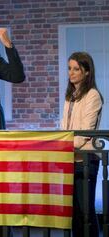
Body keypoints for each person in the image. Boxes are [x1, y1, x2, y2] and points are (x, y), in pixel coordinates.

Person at [60, 52, 103, 237]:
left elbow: (85, 132)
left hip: (86, 159)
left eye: (76, 69)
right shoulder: (70, 96)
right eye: (69, 68)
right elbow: (64, 127)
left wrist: (64, 145)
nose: (71, 73)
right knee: (74, 213)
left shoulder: (92, 95)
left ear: (86, 72)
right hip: (70, 159)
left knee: (86, 212)